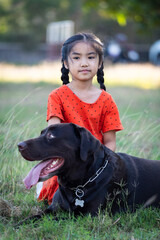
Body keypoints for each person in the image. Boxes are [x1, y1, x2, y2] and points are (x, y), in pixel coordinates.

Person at [36, 32, 123, 204]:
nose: (84, 63)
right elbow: (53, 137)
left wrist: (100, 167)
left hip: (95, 166)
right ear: (66, 63)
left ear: (99, 63)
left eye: (91, 57)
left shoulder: (106, 100)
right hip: (66, 165)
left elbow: (110, 142)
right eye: (76, 58)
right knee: (59, 202)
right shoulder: (57, 96)